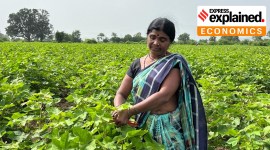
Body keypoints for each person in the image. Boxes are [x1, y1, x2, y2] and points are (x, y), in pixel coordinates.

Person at [112, 17, 207, 150]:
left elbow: (164, 95)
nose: (156, 43)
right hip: (142, 126)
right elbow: (121, 93)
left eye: (162, 39)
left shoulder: (173, 64)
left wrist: (129, 112)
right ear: (147, 36)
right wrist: (120, 110)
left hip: (166, 127)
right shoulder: (136, 64)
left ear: (170, 42)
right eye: (152, 37)